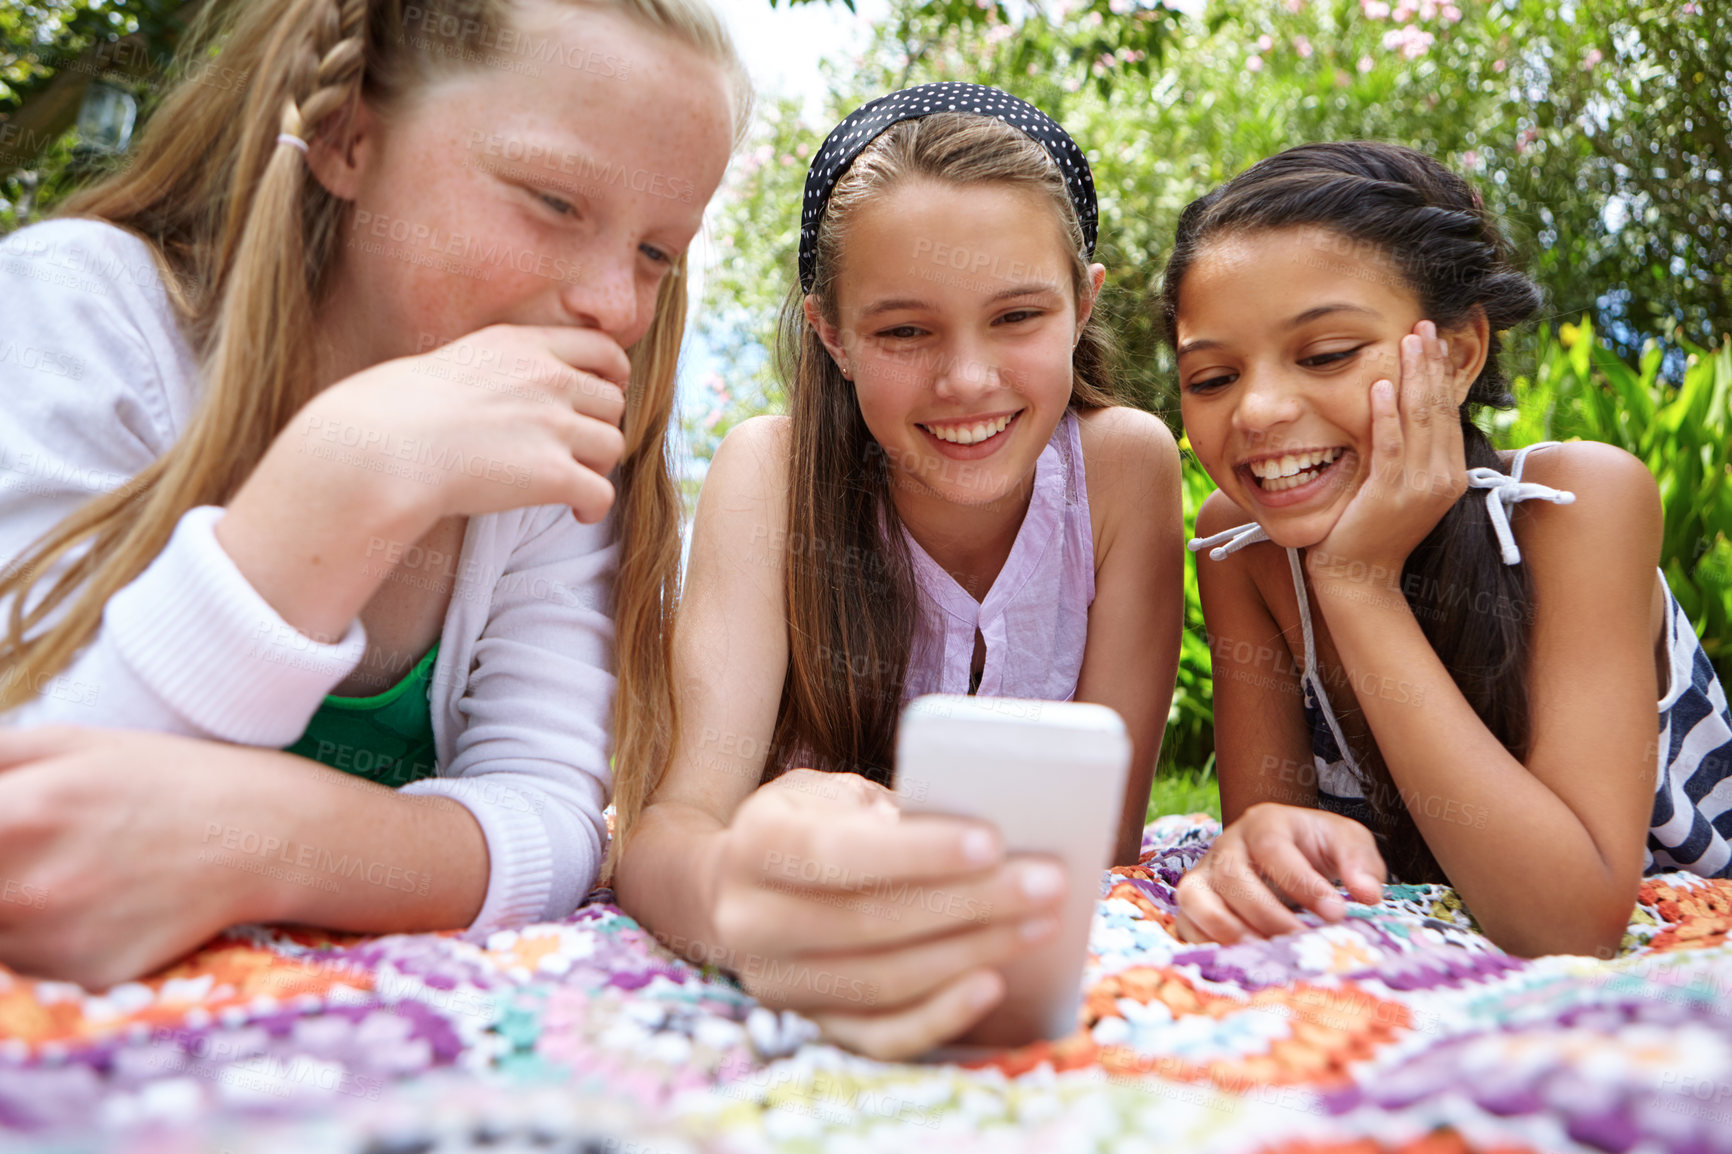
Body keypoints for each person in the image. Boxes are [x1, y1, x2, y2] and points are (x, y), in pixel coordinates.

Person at [0, 0, 747, 988]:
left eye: (657, 252)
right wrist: (346, 473)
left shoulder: (551, 463)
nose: (615, 305)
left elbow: (554, 817)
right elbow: (34, 836)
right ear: (349, 137)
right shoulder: (79, 315)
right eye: (554, 202)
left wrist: (264, 837)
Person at [611, 83, 1185, 1060]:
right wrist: (749, 910)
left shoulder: (1126, 468)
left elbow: (1104, 853)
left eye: (1016, 316)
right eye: (904, 332)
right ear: (830, 333)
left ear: (1081, 305)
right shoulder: (773, 472)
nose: (966, 379)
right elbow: (669, 832)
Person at [1166, 141, 1732, 957]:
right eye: (1212, 378)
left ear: (1460, 354)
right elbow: (1270, 841)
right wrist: (1257, 857)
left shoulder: (1576, 506)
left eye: (1325, 355)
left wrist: (1357, 586)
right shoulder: (1239, 545)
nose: (1255, 411)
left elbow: (1568, 924)